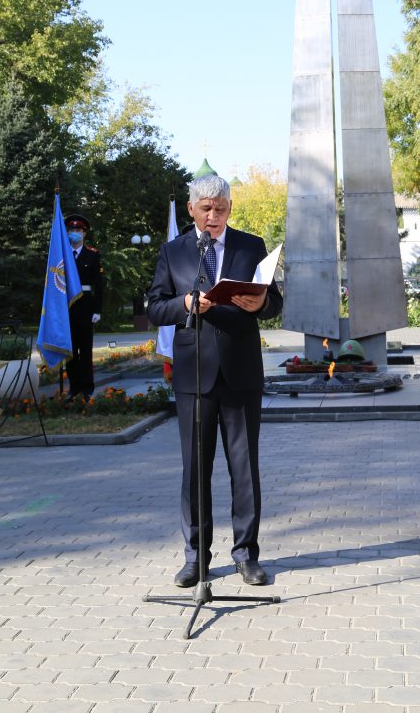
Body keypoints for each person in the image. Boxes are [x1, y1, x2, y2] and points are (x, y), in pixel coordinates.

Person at [147, 174, 283, 588]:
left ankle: (246, 555)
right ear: (191, 209)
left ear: (229, 209)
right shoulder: (174, 252)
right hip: (194, 375)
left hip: (240, 373)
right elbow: (154, 306)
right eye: (205, 208)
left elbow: (274, 302)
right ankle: (196, 557)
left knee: (244, 469)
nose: (213, 216)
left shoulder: (251, 246)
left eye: (220, 209)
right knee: (195, 471)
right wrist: (185, 303)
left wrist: (261, 302)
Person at [64, 214, 103, 400]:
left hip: (86, 307)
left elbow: (100, 285)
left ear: (84, 233)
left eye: (78, 231)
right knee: (69, 351)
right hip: (67, 308)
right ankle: (73, 388)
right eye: (71, 230)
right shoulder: (62, 255)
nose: (74, 233)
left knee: (85, 351)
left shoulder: (92, 255)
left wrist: (97, 310)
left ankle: (87, 388)